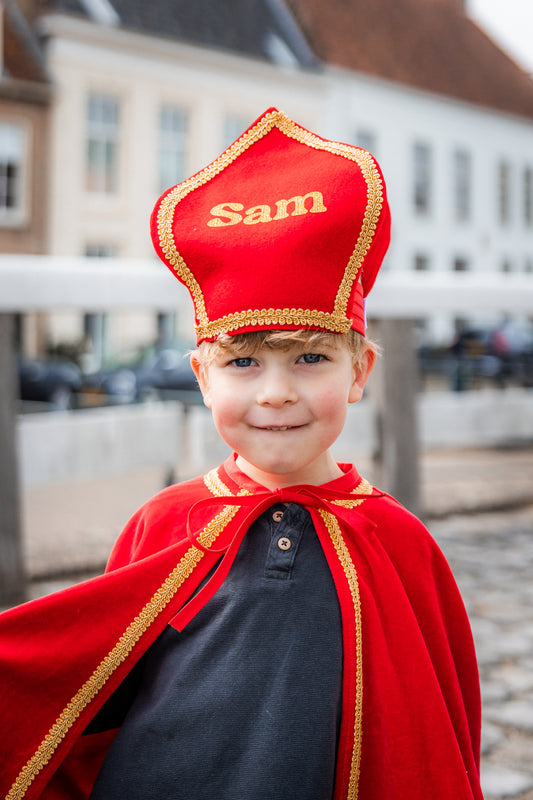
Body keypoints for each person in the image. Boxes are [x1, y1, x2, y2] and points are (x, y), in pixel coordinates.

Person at [0, 108, 483, 800]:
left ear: (359, 370)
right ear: (201, 375)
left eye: (311, 357)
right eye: (244, 362)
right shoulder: (160, 525)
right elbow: (94, 693)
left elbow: (432, 741)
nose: (277, 394)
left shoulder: (401, 546)